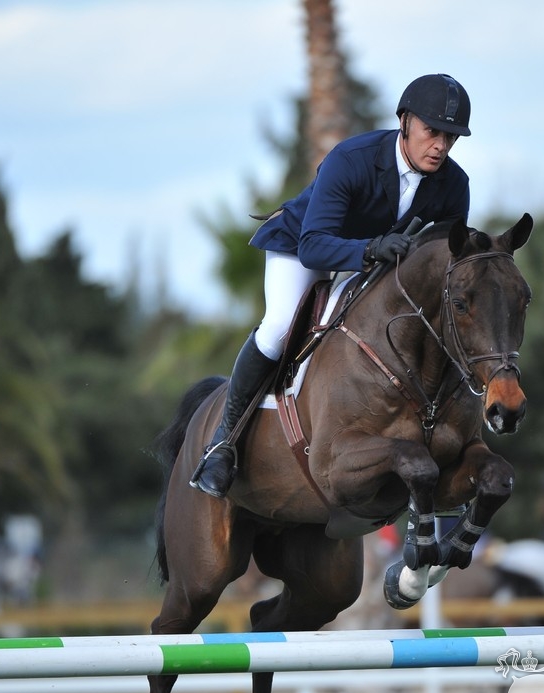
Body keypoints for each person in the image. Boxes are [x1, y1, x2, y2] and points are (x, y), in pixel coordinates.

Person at [190, 73, 474, 498]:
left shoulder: (454, 185)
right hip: (305, 246)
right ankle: (223, 443)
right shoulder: (352, 159)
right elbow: (313, 245)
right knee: (280, 327)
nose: (440, 146)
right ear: (404, 122)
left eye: (450, 137)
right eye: (432, 132)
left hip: (373, 261)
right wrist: (371, 249)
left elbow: (443, 262)